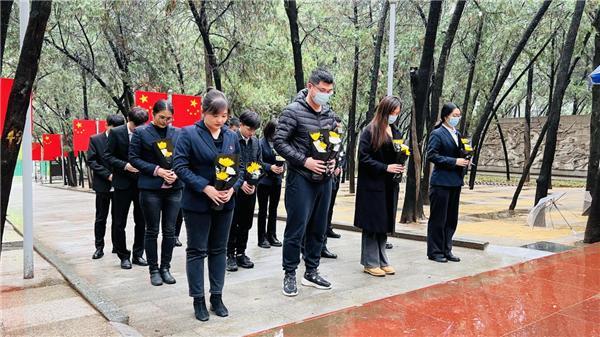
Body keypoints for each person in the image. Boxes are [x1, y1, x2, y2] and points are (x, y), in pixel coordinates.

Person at [173, 88, 242, 322]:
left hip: (225, 203)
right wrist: (205, 187)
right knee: (197, 250)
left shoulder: (231, 137)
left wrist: (232, 188)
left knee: (219, 249)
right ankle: (198, 299)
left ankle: (217, 296)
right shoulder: (188, 134)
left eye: (224, 116)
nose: (220, 121)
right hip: (197, 203)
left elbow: (239, 168)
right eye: (216, 116)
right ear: (204, 112)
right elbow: (180, 167)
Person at [274, 67, 338, 297]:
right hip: (300, 179)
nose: (326, 94)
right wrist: (305, 161)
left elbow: (333, 143)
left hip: (324, 179)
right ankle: (290, 273)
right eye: (322, 90)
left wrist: (334, 162)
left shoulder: (329, 114)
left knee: (319, 227)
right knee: (297, 227)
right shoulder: (292, 112)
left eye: (329, 91)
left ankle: (311, 271)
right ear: (310, 87)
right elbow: (279, 142)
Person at [129, 99, 182, 286]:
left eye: (168, 118)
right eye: (161, 117)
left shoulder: (177, 133)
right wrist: (157, 170)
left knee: (170, 231)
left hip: (174, 189)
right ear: (153, 114)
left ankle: (165, 267)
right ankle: (153, 269)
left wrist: (175, 172)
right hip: (150, 188)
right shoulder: (141, 132)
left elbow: (182, 157)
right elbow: (134, 158)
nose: (165, 121)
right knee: (152, 230)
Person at [354, 96, 404, 277]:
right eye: (393, 112)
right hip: (372, 185)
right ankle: (370, 261)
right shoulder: (370, 130)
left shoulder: (396, 132)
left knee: (383, 223)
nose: (395, 116)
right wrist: (385, 168)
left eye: (398, 113)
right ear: (384, 110)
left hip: (388, 185)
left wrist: (400, 163)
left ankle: (383, 259)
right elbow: (364, 158)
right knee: (372, 224)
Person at [105, 107, 149, 269]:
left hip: (142, 183)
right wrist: (125, 166)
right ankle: (123, 255)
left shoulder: (146, 132)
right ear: (128, 120)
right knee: (119, 222)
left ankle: (139, 254)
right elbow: (108, 156)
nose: (138, 129)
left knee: (142, 220)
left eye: (141, 125)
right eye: (135, 125)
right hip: (122, 184)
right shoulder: (116, 133)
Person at [426, 103, 469, 263]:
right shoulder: (437, 134)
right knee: (438, 218)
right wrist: (454, 161)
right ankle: (435, 251)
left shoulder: (457, 134)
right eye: (454, 115)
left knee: (451, 219)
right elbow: (432, 155)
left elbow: (459, 154)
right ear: (446, 116)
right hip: (441, 182)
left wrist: (465, 161)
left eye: (459, 116)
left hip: (455, 182)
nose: (457, 118)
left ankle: (447, 249)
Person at [226, 110, 262, 271]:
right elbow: (227, 164)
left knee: (246, 222)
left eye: (254, 130)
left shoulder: (255, 142)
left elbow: (258, 163)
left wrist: (254, 182)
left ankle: (241, 253)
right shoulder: (231, 139)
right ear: (240, 124)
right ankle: (230, 255)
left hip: (251, 189)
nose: (251, 133)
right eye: (249, 129)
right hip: (234, 189)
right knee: (233, 223)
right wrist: (240, 184)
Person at [88, 114, 125, 260]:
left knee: (118, 219)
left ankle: (117, 246)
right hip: (103, 184)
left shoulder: (123, 139)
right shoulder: (95, 139)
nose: (116, 131)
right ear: (106, 125)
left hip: (120, 184)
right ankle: (99, 247)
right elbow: (91, 161)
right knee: (101, 217)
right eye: (113, 128)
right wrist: (108, 175)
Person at [256, 119, 284, 249]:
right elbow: (257, 161)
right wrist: (269, 167)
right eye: (275, 131)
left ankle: (272, 234)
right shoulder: (260, 143)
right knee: (263, 210)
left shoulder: (279, 144)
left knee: (273, 209)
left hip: (276, 181)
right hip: (263, 181)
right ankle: (261, 237)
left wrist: (282, 168)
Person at [321, 117, 346, 260]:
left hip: (333, 180)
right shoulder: (324, 139)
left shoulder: (338, 140)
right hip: (323, 178)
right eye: (337, 126)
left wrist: (339, 166)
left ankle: (323, 243)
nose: (339, 129)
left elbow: (340, 156)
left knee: (328, 211)